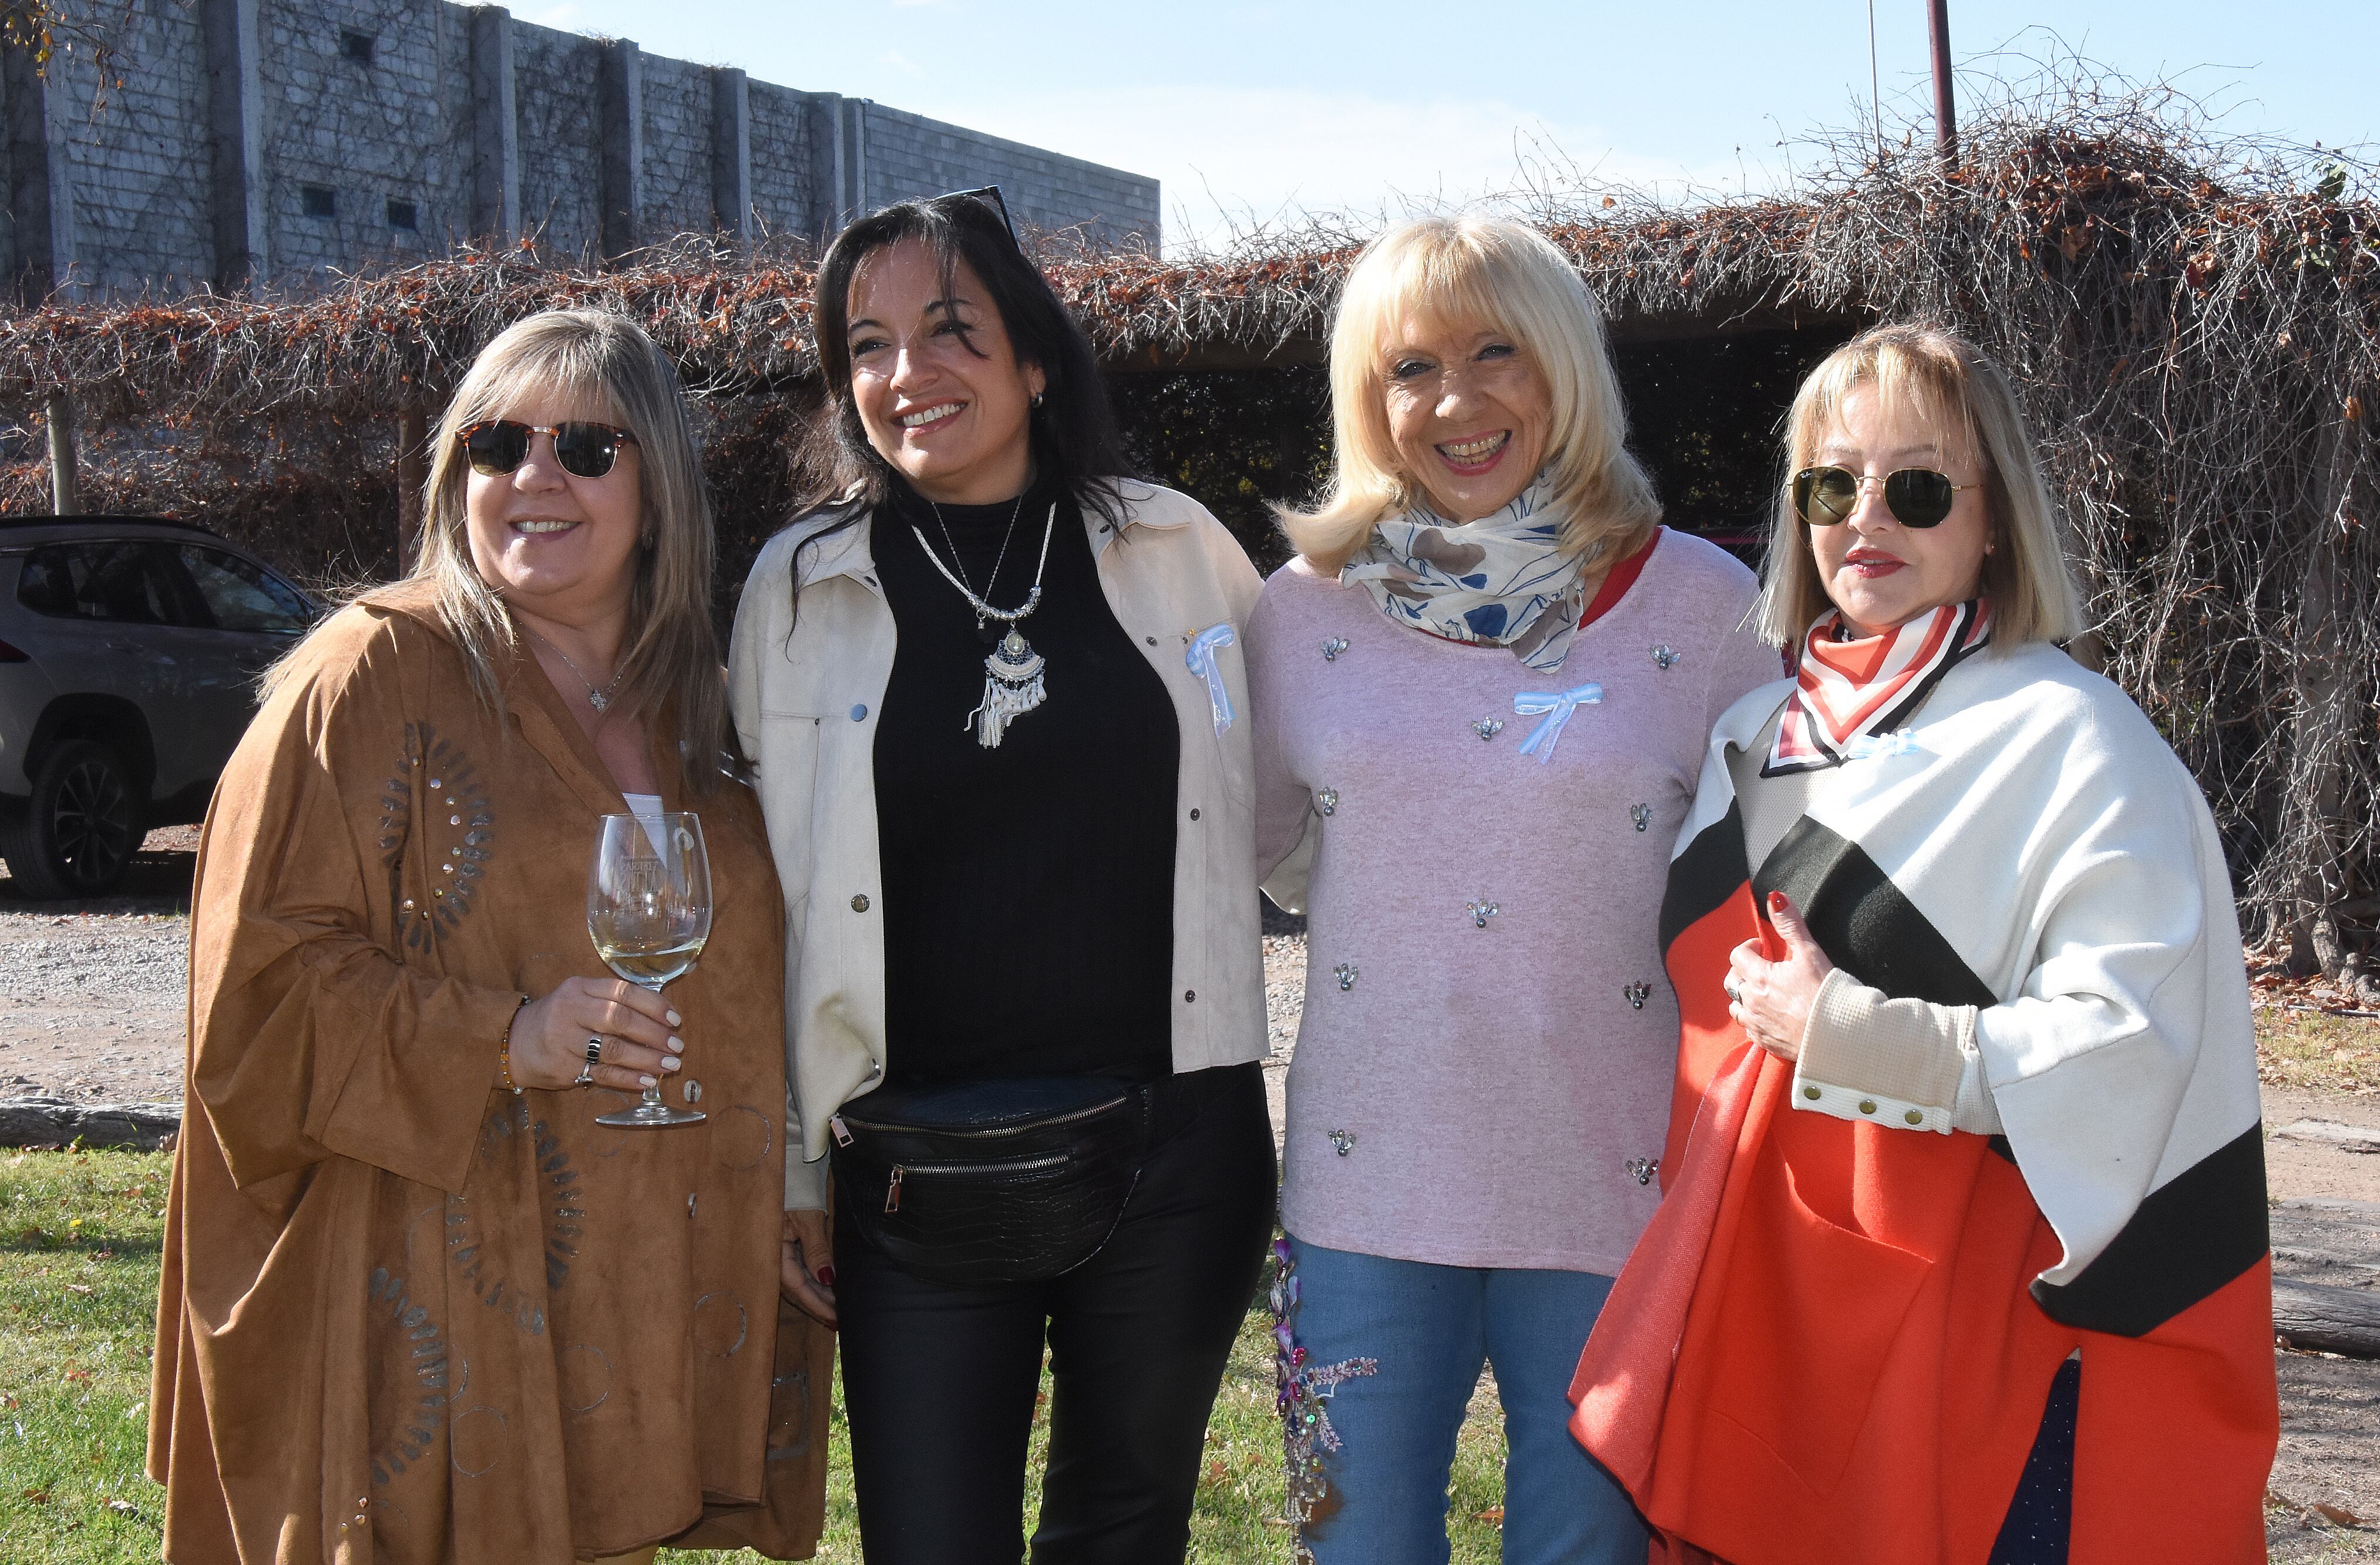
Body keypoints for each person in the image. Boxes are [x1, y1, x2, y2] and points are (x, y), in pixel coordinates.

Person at [1569, 323, 2278, 1564]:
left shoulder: (2077, 742)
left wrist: (1851, 1032)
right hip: (1758, 1298)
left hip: (1970, 1335)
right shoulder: (1752, 730)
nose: (1865, 516)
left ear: (1993, 516)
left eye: (1917, 485)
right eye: (1831, 483)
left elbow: (2125, 1046)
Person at [148, 310, 829, 1565]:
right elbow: (251, 998)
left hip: (636, 1280)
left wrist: (787, 1175)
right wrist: (506, 1036)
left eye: (584, 445)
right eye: (495, 443)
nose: (535, 476)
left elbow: (763, 978)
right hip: (427, 1275)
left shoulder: (708, 710)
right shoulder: (369, 674)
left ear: (659, 483)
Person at [727, 189, 1276, 1564]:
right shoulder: (797, 590)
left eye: (951, 329)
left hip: (1177, 1149)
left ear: (1035, 360)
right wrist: (798, 1166)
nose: (906, 373)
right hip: (911, 1168)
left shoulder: (1177, 549)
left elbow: (1304, 799)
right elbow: (770, 901)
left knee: (1123, 1529)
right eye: (868, 343)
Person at [1242, 214, 1777, 1565]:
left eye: (1498, 353)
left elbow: (1778, 890)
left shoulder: (1708, 609)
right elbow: (1230, 853)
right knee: (1352, 1551)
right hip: (1363, 1191)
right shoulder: (1297, 614)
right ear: (1369, 403)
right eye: (1409, 367)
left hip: (1617, 1186)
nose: (1456, 401)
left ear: (1567, 367)